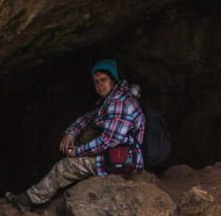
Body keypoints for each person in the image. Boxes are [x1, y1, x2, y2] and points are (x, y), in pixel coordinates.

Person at [8, 59, 146, 207]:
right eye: (96, 81)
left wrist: (78, 152)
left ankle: (27, 200)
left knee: (63, 167)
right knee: (80, 138)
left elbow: (108, 141)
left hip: (121, 159)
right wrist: (70, 133)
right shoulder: (113, 98)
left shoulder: (119, 104)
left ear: (114, 80)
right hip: (114, 152)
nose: (99, 85)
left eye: (103, 80)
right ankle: (51, 189)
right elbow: (89, 117)